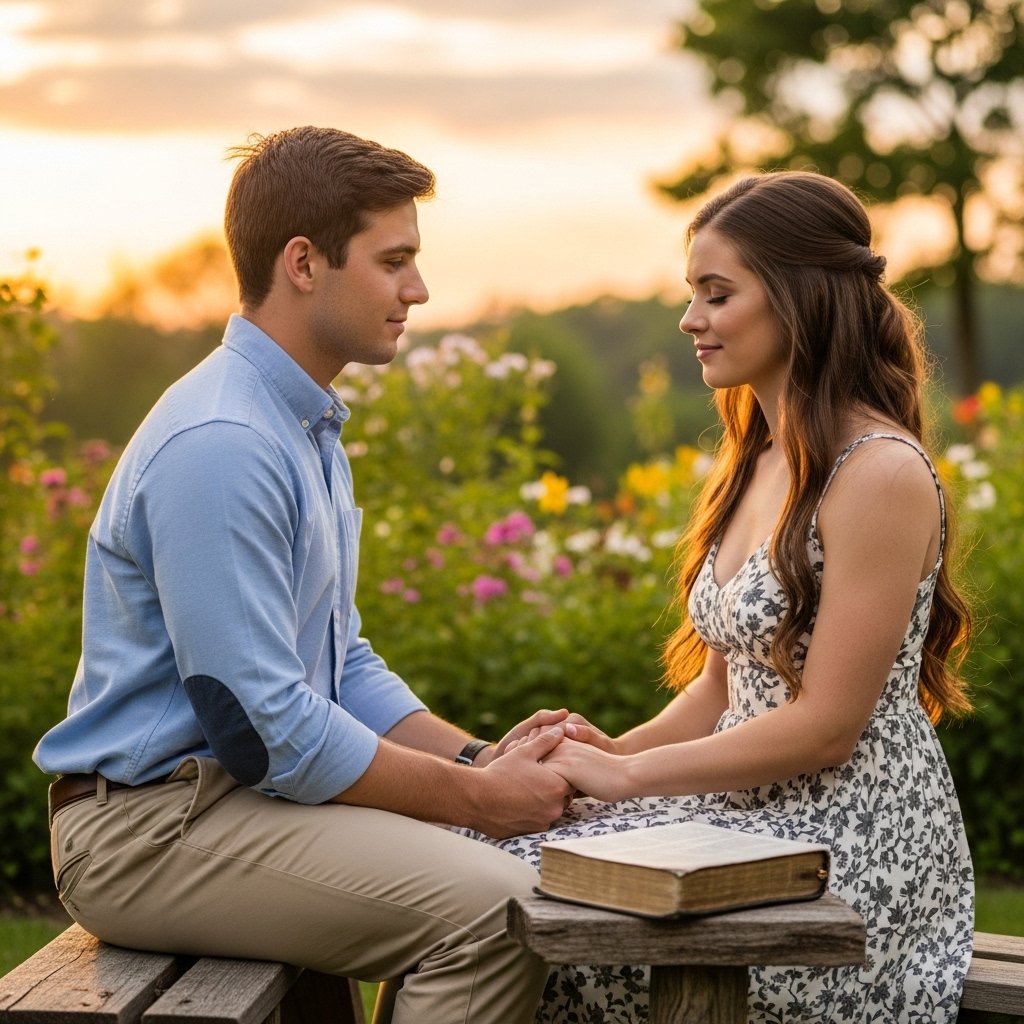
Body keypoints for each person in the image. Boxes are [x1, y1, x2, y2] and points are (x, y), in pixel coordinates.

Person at [33, 125, 576, 1024]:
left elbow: (341, 663)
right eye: (393, 259)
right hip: (145, 832)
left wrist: (477, 759)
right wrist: (478, 799)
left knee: (498, 877)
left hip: (231, 805)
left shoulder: (299, 426)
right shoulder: (226, 443)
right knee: (497, 909)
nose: (418, 289)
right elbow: (266, 729)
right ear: (303, 262)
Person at [466, 170, 975, 1023]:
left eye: (716, 293)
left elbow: (825, 725)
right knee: (477, 858)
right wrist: (605, 760)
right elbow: (719, 687)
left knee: (521, 909)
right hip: (738, 819)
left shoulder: (878, 473)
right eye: (691, 293)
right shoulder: (761, 456)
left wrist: (629, 779)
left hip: (844, 851)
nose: (689, 318)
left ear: (798, 298)